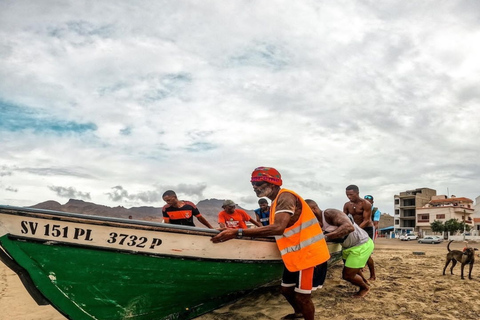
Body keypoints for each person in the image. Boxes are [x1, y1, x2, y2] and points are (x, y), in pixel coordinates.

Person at [211, 167, 330, 320]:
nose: (255, 187)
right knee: (286, 290)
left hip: (308, 255)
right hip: (294, 256)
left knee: (302, 297)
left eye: (258, 183)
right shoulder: (275, 202)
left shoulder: (285, 197)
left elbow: (278, 228)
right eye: (253, 184)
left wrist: (237, 232)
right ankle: (299, 313)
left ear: (272, 183)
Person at [306, 199, 374, 298]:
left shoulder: (330, 213)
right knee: (353, 269)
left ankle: (364, 288)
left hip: (361, 244)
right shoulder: (314, 222)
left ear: (314, 209)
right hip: (347, 247)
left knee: (348, 275)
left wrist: (324, 237)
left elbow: (349, 227)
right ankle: (364, 281)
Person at [343, 185, 376, 280]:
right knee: (354, 250)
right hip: (356, 229)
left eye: (351, 194)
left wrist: (355, 230)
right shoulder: (347, 205)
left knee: (367, 253)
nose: (349, 197)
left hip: (367, 228)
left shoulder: (365, 204)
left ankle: (373, 275)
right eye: (347, 194)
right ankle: (357, 270)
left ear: (357, 193)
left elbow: (366, 220)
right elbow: (343, 218)